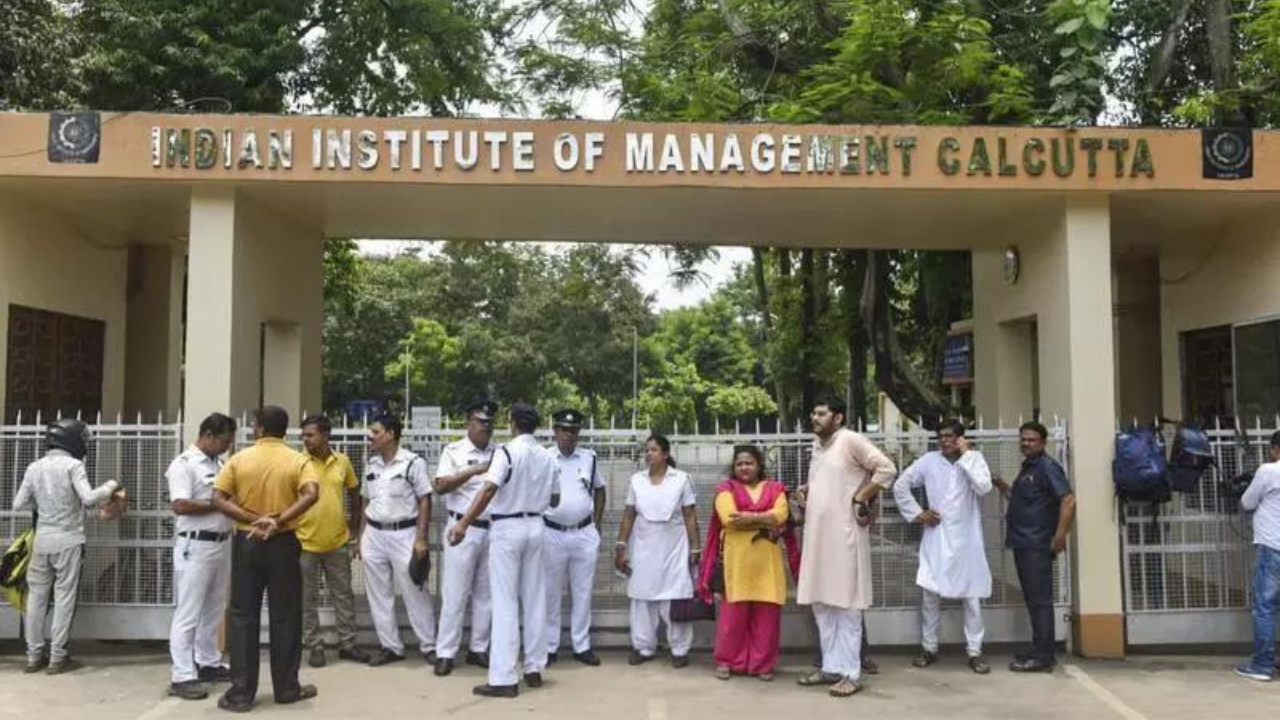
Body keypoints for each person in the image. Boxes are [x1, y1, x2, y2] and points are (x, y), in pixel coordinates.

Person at [211, 406, 320, 712]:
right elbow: (311, 494)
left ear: (258, 428)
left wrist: (252, 519)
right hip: (283, 542)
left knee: (243, 615)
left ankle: (241, 694)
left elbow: (216, 498)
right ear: (285, 430)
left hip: (248, 541)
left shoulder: (239, 459)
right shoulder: (297, 460)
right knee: (286, 614)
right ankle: (286, 688)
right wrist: (278, 520)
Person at [449, 402, 556, 698]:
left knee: (505, 602)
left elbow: (488, 489)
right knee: (534, 598)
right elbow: (555, 498)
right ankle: (534, 667)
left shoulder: (506, 453)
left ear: (513, 424)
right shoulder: (547, 456)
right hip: (536, 525)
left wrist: (463, 524)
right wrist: (532, 494)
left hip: (508, 527)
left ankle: (503, 678)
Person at [795, 396, 896, 698]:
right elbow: (833, 481)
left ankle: (851, 673)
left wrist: (861, 496)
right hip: (817, 536)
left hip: (845, 534)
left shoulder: (850, 440)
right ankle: (831, 667)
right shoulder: (817, 445)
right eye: (813, 412)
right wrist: (809, 491)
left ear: (837, 418)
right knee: (821, 603)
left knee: (847, 604)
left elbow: (886, 469)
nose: (815, 418)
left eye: (821, 413)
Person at [13, 418, 124, 675]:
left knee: (36, 599)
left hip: (42, 541)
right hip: (69, 542)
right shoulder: (74, 465)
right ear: (72, 440)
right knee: (64, 598)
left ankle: (33, 656)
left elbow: (18, 504)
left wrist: (45, 506)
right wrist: (111, 485)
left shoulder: (34, 467)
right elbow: (88, 498)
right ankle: (57, 657)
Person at [893, 419, 994, 674]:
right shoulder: (929, 461)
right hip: (936, 535)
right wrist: (918, 513)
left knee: (972, 597)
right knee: (930, 594)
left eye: (950, 436)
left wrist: (967, 455)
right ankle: (929, 648)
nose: (945, 441)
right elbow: (900, 485)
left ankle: (975, 652)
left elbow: (984, 487)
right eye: (941, 436)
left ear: (961, 438)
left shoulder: (974, 459)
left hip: (967, 539)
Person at [697, 445, 790, 681]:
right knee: (732, 618)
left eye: (749, 463)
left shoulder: (775, 488)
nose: (744, 467)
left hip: (767, 565)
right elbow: (729, 519)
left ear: (759, 465)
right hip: (736, 563)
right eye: (739, 464)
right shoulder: (726, 489)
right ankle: (727, 661)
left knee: (767, 617)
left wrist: (749, 516)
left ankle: (762, 665)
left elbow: (781, 515)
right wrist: (765, 518)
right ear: (734, 467)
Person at [993, 420, 1075, 673]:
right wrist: (1001, 485)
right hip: (1023, 542)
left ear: (1043, 442)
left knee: (1040, 601)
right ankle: (1040, 648)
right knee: (1032, 599)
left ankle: (1043, 657)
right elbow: (1020, 499)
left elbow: (1068, 500)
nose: (1026, 443)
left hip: (1037, 543)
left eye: (1031, 439)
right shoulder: (1028, 468)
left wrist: (1060, 535)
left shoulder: (1047, 467)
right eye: (1023, 439)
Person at [165, 413, 237, 700]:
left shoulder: (219, 464)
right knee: (189, 612)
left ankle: (208, 662)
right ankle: (182, 675)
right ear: (207, 435)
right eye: (223, 441)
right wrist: (217, 504)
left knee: (214, 609)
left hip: (221, 544)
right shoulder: (184, 464)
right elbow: (180, 505)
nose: (227, 447)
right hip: (195, 546)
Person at [358, 413, 437, 667]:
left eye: (375, 432)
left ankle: (429, 645)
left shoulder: (413, 463)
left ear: (391, 434)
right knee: (378, 595)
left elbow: (424, 500)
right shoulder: (371, 464)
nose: (370, 436)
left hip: (404, 534)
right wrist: (360, 537)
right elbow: (365, 501)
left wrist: (421, 538)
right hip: (374, 534)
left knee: (415, 590)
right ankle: (391, 646)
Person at [615, 434, 701, 668]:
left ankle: (680, 649)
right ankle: (643, 647)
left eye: (653, 450)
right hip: (643, 545)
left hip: (674, 545)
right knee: (642, 597)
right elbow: (629, 515)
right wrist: (621, 546)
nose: (648, 454)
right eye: (646, 450)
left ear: (665, 454)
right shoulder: (637, 480)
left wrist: (695, 547)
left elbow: (690, 515)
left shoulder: (682, 479)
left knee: (674, 596)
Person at [432, 400, 498, 677]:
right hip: (461, 528)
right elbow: (440, 486)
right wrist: (474, 470)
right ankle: (446, 652)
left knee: (486, 594)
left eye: (489, 422)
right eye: (480, 421)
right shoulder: (454, 451)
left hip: (493, 529)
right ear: (468, 423)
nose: (486, 426)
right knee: (455, 593)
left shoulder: (500, 452)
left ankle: (478, 648)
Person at [297, 415, 370, 668]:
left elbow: (354, 492)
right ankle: (314, 646)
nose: (305, 440)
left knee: (343, 595)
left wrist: (353, 526)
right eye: (304, 435)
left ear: (326, 435)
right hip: (304, 543)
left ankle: (348, 644)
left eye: (310, 435)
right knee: (307, 598)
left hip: (337, 542)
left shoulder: (343, 461)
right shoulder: (298, 463)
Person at [544, 408, 606, 667]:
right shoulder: (545, 457)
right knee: (550, 593)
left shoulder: (589, 458)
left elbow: (600, 490)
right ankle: (549, 646)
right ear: (555, 431)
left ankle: (582, 646)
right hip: (552, 532)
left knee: (582, 592)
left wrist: (597, 524)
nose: (569, 434)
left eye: (573, 430)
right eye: (564, 429)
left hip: (583, 533)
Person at [1233, 430, 1280, 681]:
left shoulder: (1269, 471)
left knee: (1265, 608)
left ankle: (1262, 665)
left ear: (1275, 449)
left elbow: (1248, 502)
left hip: (1273, 548)